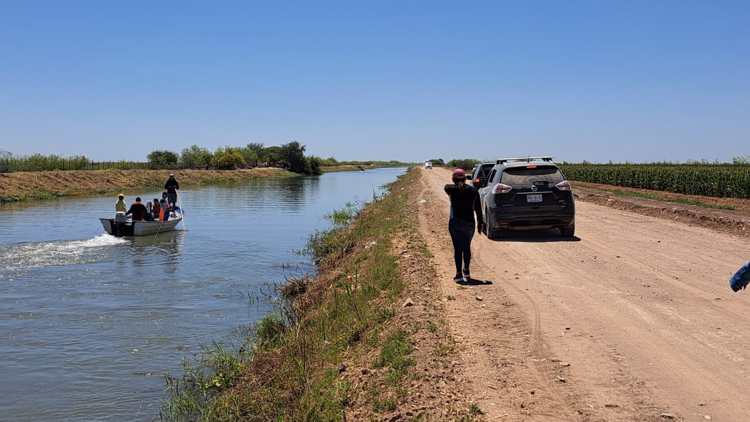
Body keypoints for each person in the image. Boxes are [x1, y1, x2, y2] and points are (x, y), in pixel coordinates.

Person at [444, 168, 484, 282]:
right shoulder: (472, 190)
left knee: (457, 249)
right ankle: (466, 271)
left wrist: (458, 185)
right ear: (465, 179)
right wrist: (480, 223)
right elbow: (478, 209)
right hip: (469, 223)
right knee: (466, 247)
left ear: (453, 179)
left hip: (455, 222)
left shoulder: (451, 190)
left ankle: (458, 274)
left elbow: (447, 186)